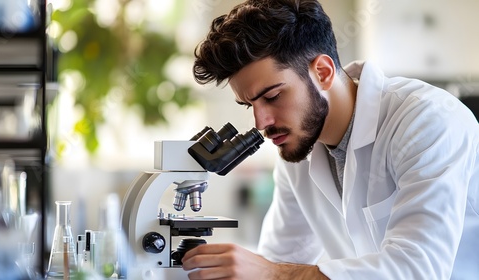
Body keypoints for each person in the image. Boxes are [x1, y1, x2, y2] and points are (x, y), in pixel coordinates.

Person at [181, 0, 479, 279]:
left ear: (322, 72)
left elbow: (416, 269)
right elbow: (281, 255)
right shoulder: (298, 149)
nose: (261, 123)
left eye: (272, 96)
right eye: (250, 106)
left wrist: (274, 273)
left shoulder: (428, 120)